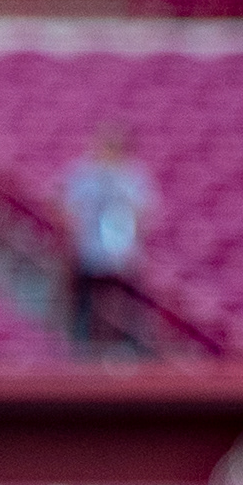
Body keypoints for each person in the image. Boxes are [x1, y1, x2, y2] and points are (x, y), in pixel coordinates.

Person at [61, 127, 156, 348]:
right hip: (88, 252)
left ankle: (126, 349)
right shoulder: (83, 174)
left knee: (125, 306)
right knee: (86, 307)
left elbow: (143, 213)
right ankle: (83, 350)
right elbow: (68, 209)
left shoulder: (133, 177)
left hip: (123, 255)